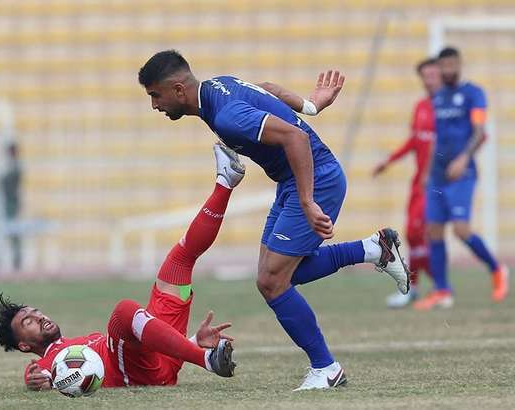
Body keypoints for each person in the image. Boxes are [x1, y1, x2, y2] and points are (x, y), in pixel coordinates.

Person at [138, 50, 411, 390]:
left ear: (178, 90)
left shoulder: (225, 116)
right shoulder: (216, 87)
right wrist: (310, 106)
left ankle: (327, 368)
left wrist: (308, 201)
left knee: (272, 281)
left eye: (155, 95)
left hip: (315, 180)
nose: (154, 105)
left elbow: (295, 137)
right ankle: (374, 249)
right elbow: (266, 89)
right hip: (292, 182)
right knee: (272, 277)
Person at [0, 144, 244, 391]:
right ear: (23, 346)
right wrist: (37, 381)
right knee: (123, 312)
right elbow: (37, 377)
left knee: (178, 261)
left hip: (157, 363)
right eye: (28, 322)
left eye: (35, 312)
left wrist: (193, 342)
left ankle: (225, 182)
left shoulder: (74, 346)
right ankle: (206, 360)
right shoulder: (47, 364)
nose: (39, 317)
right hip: (137, 375)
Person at [414, 47, 509, 310]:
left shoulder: (473, 93)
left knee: (460, 229)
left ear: (459, 64)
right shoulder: (438, 98)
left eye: (451, 65)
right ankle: (443, 291)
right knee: (432, 230)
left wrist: (464, 158)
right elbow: (436, 138)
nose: (447, 70)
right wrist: (426, 171)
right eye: (443, 66)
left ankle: (497, 268)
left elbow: (479, 132)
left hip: (462, 173)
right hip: (437, 175)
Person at [372, 58, 440, 308]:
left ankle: (428, 287)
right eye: (425, 75)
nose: (429, 79)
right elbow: (414, 141)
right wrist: (389, 160)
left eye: (433, 74)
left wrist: (432, 174)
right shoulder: (421, 106)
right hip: (418, 182)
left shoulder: (445, 110)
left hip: (434, 184)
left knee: (417, 233)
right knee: (414, 235)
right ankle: (428, 286)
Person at [0, 142, 22, 271]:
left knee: (13, 230)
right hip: (9, 201)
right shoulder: (11, 166)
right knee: (10, 230)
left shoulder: (15, 166)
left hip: (12, 202)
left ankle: (16, 258)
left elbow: (9, 182)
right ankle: (12, 257)